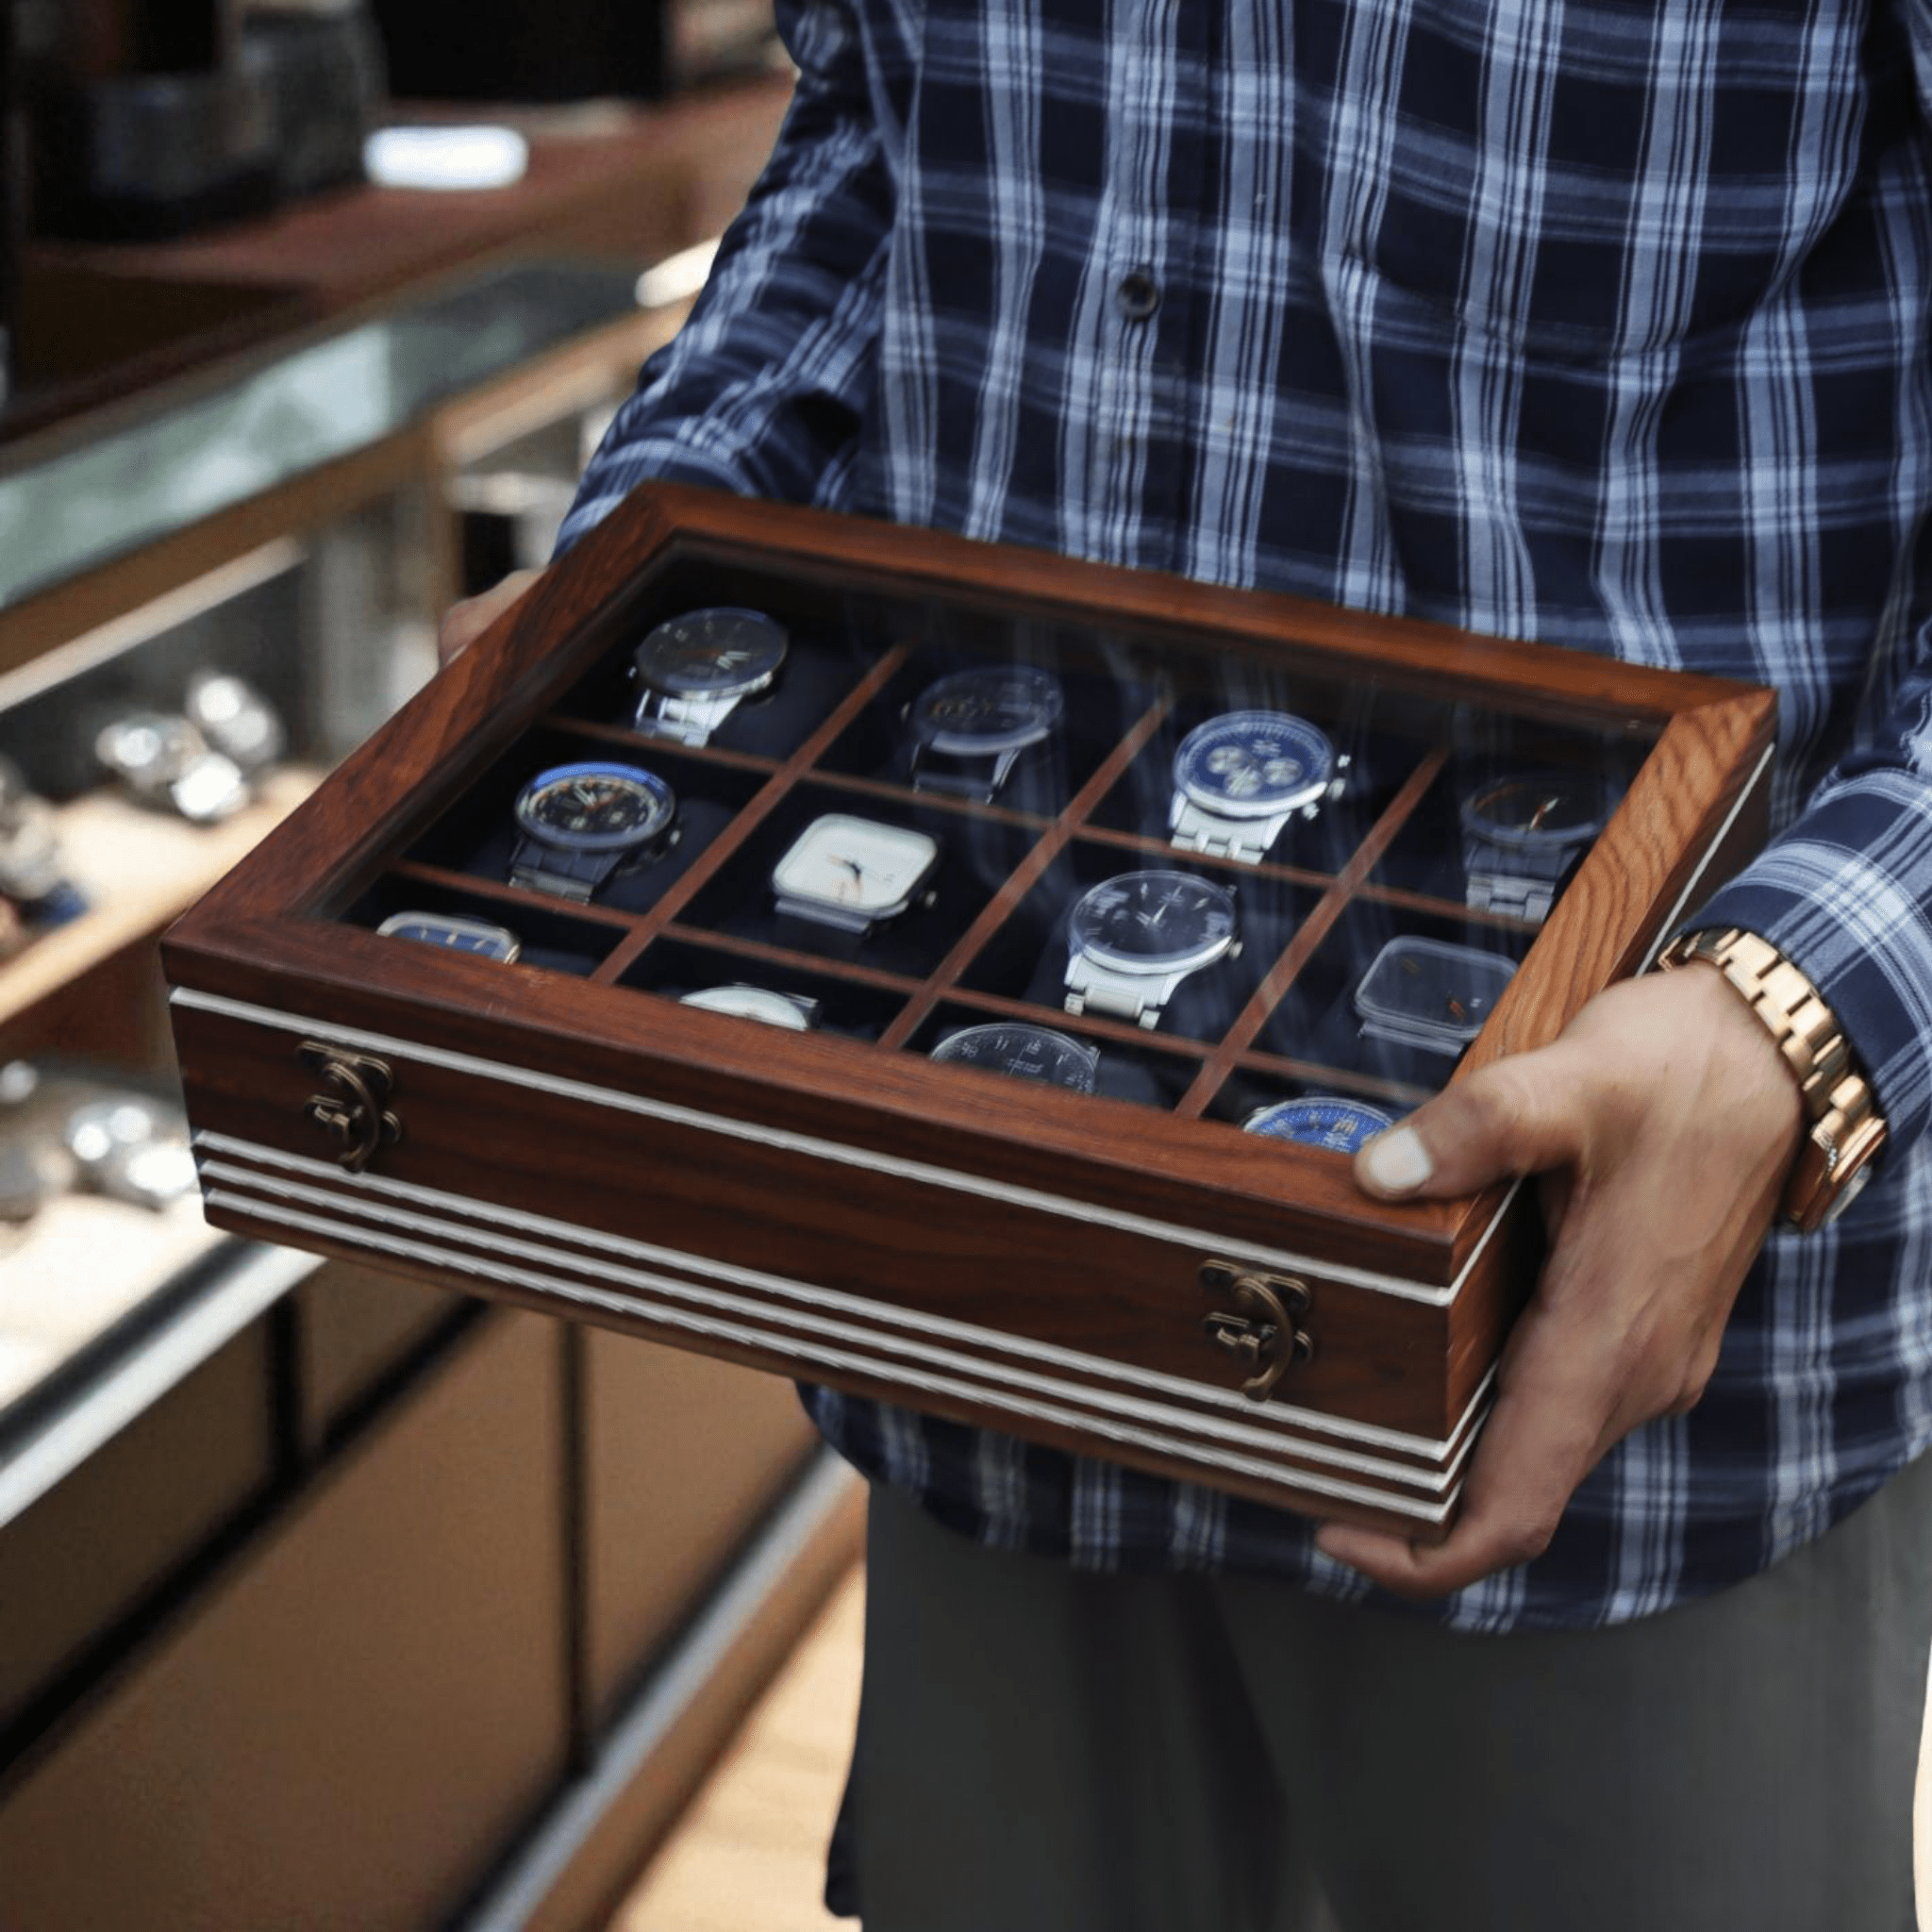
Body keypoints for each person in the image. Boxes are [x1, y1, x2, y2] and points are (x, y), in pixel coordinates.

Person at [441, 5, 1932, 1925]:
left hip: (1619, 1363)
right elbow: (878, 143)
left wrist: (1796, 1009)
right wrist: (647, 548)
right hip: (996, 1284)